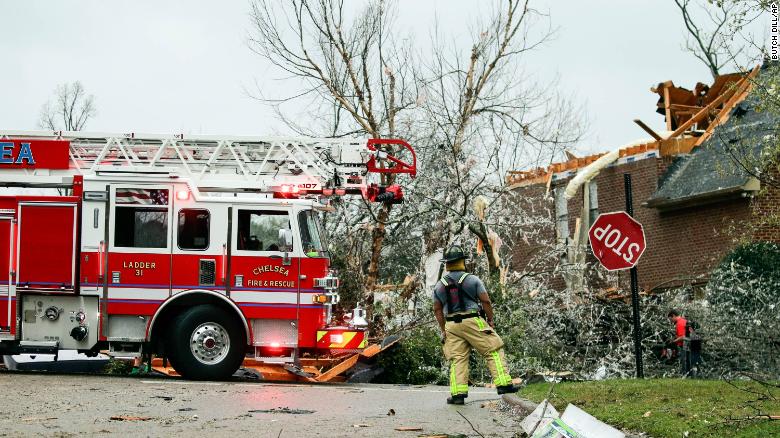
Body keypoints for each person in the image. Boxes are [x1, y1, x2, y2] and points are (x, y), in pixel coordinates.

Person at [433, 245, 519, 405]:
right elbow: (485, 300)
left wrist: (443, 329)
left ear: (447, 263)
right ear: (462, 261)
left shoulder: (439, 285)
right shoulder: (472, 280)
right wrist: (490, 320)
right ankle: (504, 385)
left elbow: (437, 309)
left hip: (451, 324)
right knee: (493, 349)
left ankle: (458, 395)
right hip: (472, 320)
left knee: (457, 358)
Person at [668, 309, 699, 377]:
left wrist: (673, 341)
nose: (671, 321)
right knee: (692, 362)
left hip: (688, 345)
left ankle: (687, 376)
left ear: (673, 316)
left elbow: (683, 337)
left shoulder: (679, 323)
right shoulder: (684, 320)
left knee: (685, 362)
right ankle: (692, 377)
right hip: (695, 342)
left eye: (671, 319)